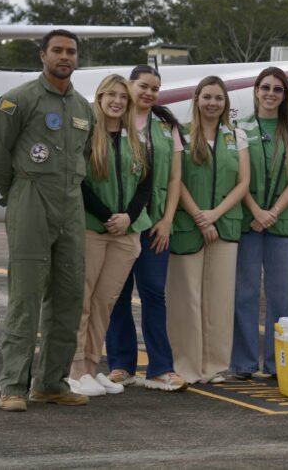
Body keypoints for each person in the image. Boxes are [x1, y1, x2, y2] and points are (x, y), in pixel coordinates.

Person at [0, 29, 95, 412]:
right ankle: (14, 384)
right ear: (42, 55)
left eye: (71, 51)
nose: (65, 57)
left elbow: (85, 156)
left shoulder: (83, 107)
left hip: (70, 202)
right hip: (30, 197)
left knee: (68, 295)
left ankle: (51, 382)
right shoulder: (18, 100)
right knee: (26, 295)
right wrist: (17, 196)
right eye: (58, 51)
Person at [105, 65, 188, 392]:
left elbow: (175, 179)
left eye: (155, 88)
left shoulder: (166, 127)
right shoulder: (113, 123)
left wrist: (167, 220)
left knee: (154, 294)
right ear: (130, 86)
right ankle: (121, 365)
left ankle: (160, 368)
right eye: (143, 86)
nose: (149, 93)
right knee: (119, 295)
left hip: (155, 225)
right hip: (121, 224)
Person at [69, 74, 151, 397]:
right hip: (94, 228)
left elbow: (146, 182)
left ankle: (91, 367)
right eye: (111, 95)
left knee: (105, 302)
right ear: (100, 99)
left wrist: (128, 216)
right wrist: (107, 217)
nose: (117, 101)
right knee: (83, 302)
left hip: (126, 233)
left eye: (123, 96)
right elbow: (81, 182)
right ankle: (75, 371)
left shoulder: (136, 138)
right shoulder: (88, 135)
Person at [167, 76, 250, 384]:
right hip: (188, 226)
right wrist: (200, 217)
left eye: (218, 97)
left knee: (219, 299)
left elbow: (243, 183)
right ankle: (186, 366)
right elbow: (178, 180)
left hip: (225, 226)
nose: (213, 103)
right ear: (197, 99)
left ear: (225, 102)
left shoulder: (236, 136)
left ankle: (214, 366)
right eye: (207, 97)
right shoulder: (181, 134)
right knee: (185, 298)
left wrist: (215, 214)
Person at [230, 68, 288, 380]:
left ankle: (278, 363)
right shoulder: (238, 127)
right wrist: (256, 211)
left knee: (282, 296)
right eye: (266, 88)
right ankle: (244, 363)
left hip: (283, 224)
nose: (271, 94)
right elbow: (237, 176)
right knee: (245, 294)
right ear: (256, 91)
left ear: (284, 95)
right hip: (249, 222)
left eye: (278, 89)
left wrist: (272, 211)